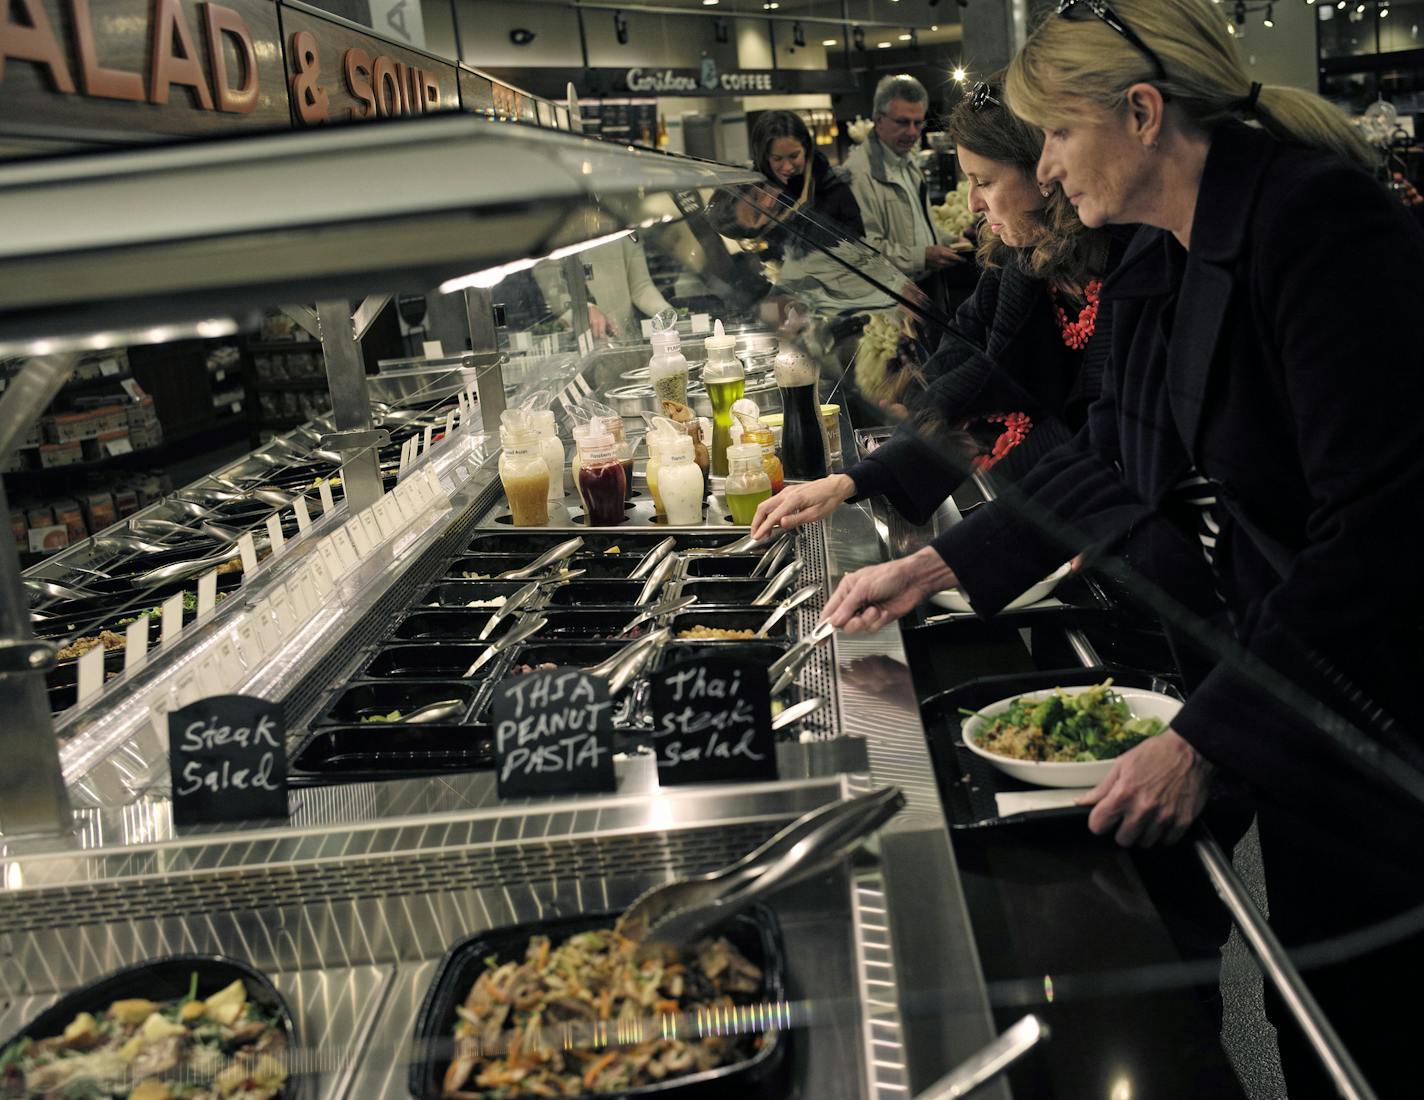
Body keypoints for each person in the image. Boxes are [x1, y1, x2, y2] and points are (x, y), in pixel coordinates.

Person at [821, 1, 1424, 1094]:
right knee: (1313, 1013)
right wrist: (935, 562)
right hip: (1294, 687)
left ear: (1141, 114)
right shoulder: (1164, 250)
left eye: (1053, 134)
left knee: (1380, 1022)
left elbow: (1379, 529)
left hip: (1375, 698)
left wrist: (1202, 737)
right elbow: (1116, 464)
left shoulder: (1317, 222)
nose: (1042, 171)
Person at [753, 76, 1124, 540]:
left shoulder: (1129, 268)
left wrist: (956, 556)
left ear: (1045, 173)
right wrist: (854, 480)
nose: (972, 202)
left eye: (984, 181)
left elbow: (1110, 438)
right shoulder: (1019, 260)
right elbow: (964, 363)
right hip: (1058, 511)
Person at [845, 75, 968, 282]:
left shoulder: (907, 163)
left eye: (918, 123)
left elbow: (917, 227)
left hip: (922, 287)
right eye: (903, 122)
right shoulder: (858, 174)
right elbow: (863, 251)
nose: (912, 132)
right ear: (878, 119)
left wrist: (949, 240)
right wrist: (921, 257)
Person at [749, 110, 865, 253]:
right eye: (777, 158)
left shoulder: (833, 187)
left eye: (794, 156)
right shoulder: (757, 189)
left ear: (806, 148)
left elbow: (857, 241)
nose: (787, 167)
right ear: (765, 157)